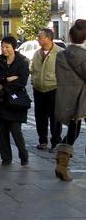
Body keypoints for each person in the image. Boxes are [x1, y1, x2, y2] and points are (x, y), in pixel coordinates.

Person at [0, 36, 30, 167]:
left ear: (14, 47)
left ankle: (23, 155)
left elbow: (21, 81)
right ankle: (6, 158)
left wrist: (4, 85)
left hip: (16, 102)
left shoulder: (22, 61)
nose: (4, 49)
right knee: (2, 131)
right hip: (2, 101)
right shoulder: (0, 61)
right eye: (2, 46)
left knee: (16, 130)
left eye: (7, 47)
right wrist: (7, 79)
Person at [53, 19, 86, 181]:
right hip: (83, 99)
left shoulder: (61, 55)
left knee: (74, 130)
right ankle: (62, 164)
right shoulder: (84, 56)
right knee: (74, 131)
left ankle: (62, 162)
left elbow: (59, 77)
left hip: (68, 99)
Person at [30, 28, 62, 151]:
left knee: (55, 117)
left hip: (54, 89)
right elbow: (32, 69)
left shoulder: (60, 53)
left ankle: (55, 142)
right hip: (38, 89)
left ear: (48, 38)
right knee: (40, 116)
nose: (38, 39)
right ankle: (42, 140)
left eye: (40, 37)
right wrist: (33, 81)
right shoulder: (37, 53)